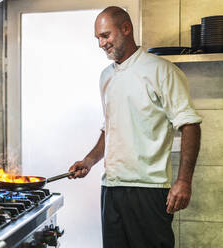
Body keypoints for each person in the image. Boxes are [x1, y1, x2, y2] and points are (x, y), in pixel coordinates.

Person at [68, 6, 202, 248]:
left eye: (105, 35)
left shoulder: (161, 70)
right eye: (98, 38)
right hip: (111, 188)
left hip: (148, 190)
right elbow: (110, 128)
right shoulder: (105, 77)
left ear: (126, 29)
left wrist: (184, 181)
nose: (101, 44)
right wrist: (89, 161)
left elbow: (190, 124)